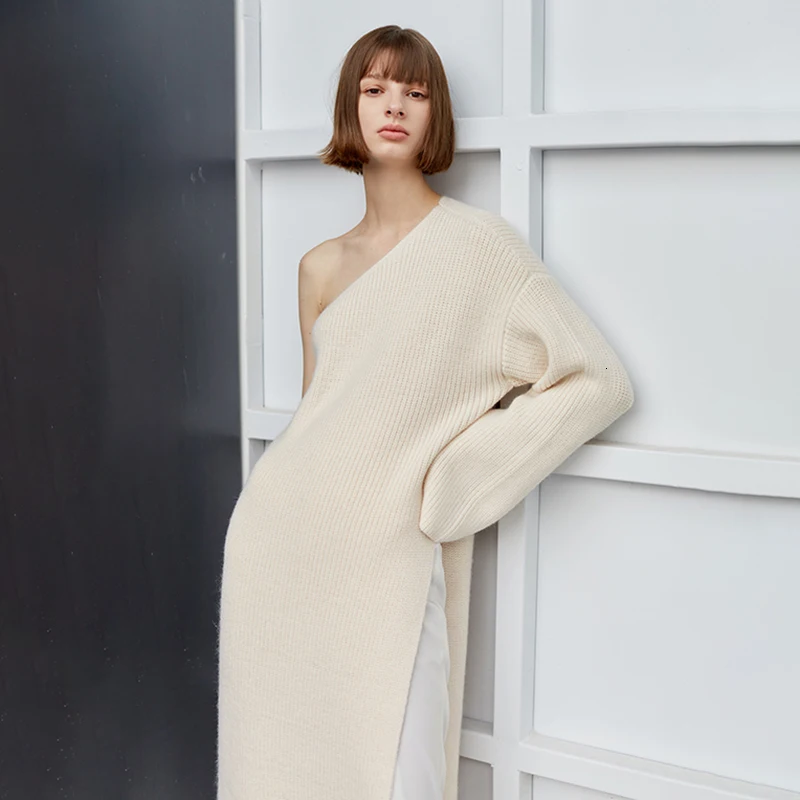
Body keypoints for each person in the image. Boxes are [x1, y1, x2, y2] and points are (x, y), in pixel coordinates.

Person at [216, 24, 635, 800]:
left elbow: (597, 380)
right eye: (374, 89)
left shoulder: (481, 250)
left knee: (401, 771)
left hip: (393, 553)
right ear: (350, 107)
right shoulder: (319, 265)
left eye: (415, 91)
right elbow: (320, 416)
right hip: (282, 545)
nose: (394, 106)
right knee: (277, 768)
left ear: (435, 112)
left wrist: (460, 478)